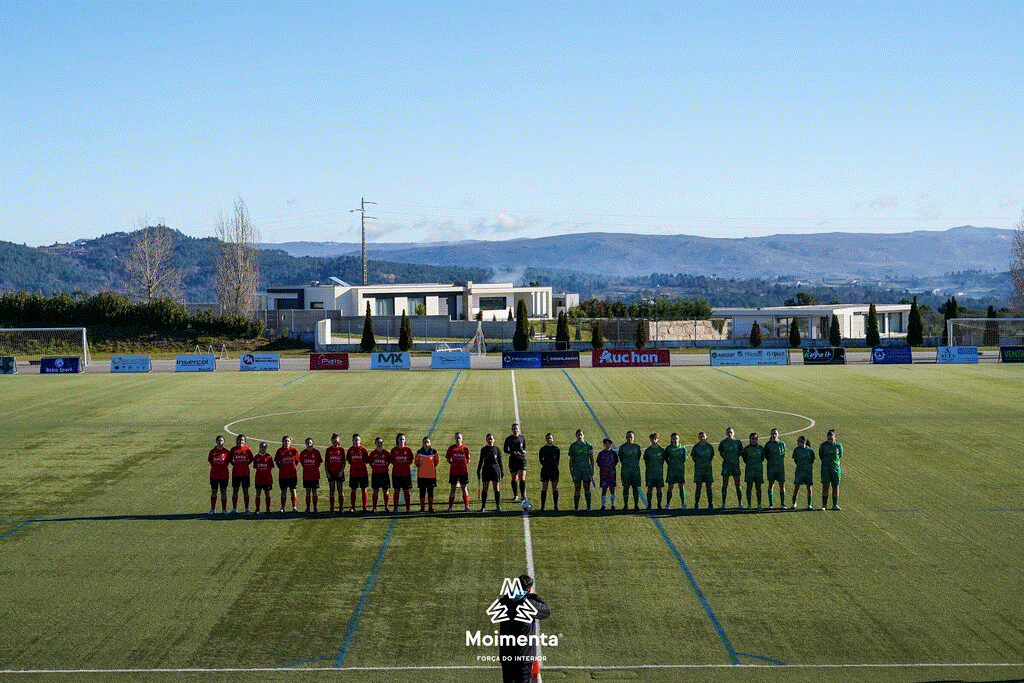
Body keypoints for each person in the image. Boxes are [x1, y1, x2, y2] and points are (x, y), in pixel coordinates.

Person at [497, 573, 551, 683]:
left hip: (507, 653)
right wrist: (532, 596)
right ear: (529, 589)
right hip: (523, 655)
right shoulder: (529, 604)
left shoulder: (504, 601)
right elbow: (546, 611)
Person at [567, 429, 595, 511]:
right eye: (578, 435)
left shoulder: (588, 445)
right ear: (576, 436)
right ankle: (576, 507)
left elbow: (592, 458)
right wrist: (571, 470)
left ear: (583, 435)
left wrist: (592, 469)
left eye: (581, 434)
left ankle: (588, 507)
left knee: (587, 488)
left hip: (586, 470)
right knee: (577, 488)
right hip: (577, 470)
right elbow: (571, 460)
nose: (579, 436)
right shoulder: (573, 446)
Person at [718, 427, 744, 509]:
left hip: (735, 466)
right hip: (726, 466)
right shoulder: (723, 443)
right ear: (726, 434)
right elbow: (720, 452)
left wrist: (734, 458)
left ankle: (740, 502)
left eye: (731, 432)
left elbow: (741, 452)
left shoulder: (738, 442)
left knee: (737, 485)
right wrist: (727, 458)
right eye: (728, 432)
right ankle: (723, 503)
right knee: (725, 484)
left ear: (734, 433)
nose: (729, 434)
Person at [477, 433, 504, 511]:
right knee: (485, 488)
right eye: (488, 439)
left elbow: (500, 462)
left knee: (496, 488)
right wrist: (478, 471)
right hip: (486, 470)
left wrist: (502, 472)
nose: (490, 440)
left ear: (494, 440)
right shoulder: (484, 449)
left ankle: (498, 506)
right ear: (486, 440)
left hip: (495, 470)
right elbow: (481, 461)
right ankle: (483, 506)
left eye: (491, 439)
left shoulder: (497, 449)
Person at [445, 432, 472, 512]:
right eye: (456, 438)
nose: (458, 439)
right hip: (454, 471)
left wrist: (463, 465)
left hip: (463, 471)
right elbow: (448, 459)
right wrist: (453, 464)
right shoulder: (451, 448)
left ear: (461, 438)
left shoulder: (465, 448)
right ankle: (450, 507)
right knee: (453, 488)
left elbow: (468, 460)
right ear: (455, 439)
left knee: (464, 488)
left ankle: (466, 506)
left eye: (459, 438)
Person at [228, 434, 254, 514]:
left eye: (242, 440)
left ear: (244, 441)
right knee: (235, 491)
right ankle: (234, 508)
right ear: (237, 441)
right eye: (239, 440)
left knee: (245, 491)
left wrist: (246, 464)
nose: (240, 441)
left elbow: (251, 459)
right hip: (236, 474)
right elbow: (230, 459)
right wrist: (235, 465)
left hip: (245, 473)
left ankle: (247, 508)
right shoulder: (233, 449)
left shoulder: (247, 449)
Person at [818, 429, 843, 510]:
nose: (830, 440)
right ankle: (824, 505)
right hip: (825, 468)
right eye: (828, 438)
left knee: (835, 486)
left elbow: (840, 455)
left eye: (831, 438)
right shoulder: (823, 446)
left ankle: (835, 504)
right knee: (825, 486)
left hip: (835, 469)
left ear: (835, 437)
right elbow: (820, 455)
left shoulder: (838, 445)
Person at [390, 433, 415, 512]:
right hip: (396, 474)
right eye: (400, 439)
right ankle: (395, 508)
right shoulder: (394, 450)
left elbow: (410, 460)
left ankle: (408, 508)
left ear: (405, 440)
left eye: (403, 439)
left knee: (406, 491)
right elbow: (392, 461)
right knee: (396, 491)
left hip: (406, 474)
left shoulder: (408, 450)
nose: (401, 441)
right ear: (397, 440)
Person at [618, 431, 642, 511]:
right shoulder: (622, 447)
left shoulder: (637, 447)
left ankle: (636, 505)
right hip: (625, 471)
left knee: (635, 488)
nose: (629, 438)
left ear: (634, 438)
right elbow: (620, 458)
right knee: (626, 487)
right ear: (626, 438)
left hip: (635, 471)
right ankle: (625, 505)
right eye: (628, 437)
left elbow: (638, 457)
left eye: (631, 437)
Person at [763, 428, 787, 509]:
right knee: (770, 485)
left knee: (782, 485)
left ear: (778, 434)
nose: (774, 435)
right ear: (770, 435)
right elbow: (765, 455)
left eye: (775, 433)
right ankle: (771, 504)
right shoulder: (768, 444)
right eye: (772, 433)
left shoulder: (782, 443)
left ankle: (783, 504)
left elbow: (783, 454)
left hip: (780, 468)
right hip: (771, 468)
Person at [690, 432, 715, 510]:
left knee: (709, 487)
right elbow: (693, 457)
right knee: (698, 487)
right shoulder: (696, 447)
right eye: (700, 437)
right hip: (699, 470)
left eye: (703, 436)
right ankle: (696, 504)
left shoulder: (709, 447)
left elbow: (711, 456)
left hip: (708, 469)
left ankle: (710, 504)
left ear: (706, 437)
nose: (702, 438)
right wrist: (699, 463)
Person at [275, 435, 300, 513]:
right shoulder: (279, 451)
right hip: (283, 474)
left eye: (288, 441)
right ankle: (282, 507)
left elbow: (297, 460)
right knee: (283, 491)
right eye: (285, 441)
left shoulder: (294, 450)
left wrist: (293, 466)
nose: (286, 442)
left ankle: (294, 507)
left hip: (292, 474)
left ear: (290, 442)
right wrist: (281, 467)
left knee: (293, 490)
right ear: (282, 442)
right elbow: (276, 461)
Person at [503, 423, 528, 502]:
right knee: (514, 478)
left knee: (522, 477)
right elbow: (505, 450)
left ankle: (523, 495)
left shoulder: (522, 438)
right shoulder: (509, 439)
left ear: (519, 429)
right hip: (513, 460)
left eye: (516, 429)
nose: (515, 430)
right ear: (512, 430)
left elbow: (524, 448)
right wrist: (512, 452)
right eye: (514, 429)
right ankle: (515, 495)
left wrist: (523, 452)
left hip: (521, 459)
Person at [790, 435, 816, 510]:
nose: (797, 443)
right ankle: (794, 503)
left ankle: (809, 504)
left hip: (808, 472)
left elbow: (812, 460)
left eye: (799, 441)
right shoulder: (796, 450)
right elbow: (795, 460)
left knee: (809, 487)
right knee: (797, 487)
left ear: (803, 442)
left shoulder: (810, 450)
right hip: (799, 471)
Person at [741, 433, 765, 510]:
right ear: (749, 439)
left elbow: (762, 458)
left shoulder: (761, 448)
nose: (753, 440)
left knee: (758, 488)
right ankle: (749, 505)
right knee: (749, 487)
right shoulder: (746, 449)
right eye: (752, 438)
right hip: (749, 471)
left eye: (755, 438)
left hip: (758, 471)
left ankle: (759, 505)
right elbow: (744, 458)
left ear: (757, 439)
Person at [415, 436, 439, 512]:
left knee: (430, 493)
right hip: (421, 476)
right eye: (425, 442)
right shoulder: (419, 452)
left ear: (430, 443)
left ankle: (430, 508)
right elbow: (416, 462)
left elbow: (436, 462)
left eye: (427, 442)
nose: (426, 444)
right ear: (422, 443)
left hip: (431, 476)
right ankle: (422, 508)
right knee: (422, 492)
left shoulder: (434, 452)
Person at [664, 432, 687, 510]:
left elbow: (685, 458)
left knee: (681, 487)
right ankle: (668, 504)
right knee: (670, 487)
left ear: (679, 439)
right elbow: (666, 458)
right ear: (671, 439)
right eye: (673, 438)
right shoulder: (669, 448)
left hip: (680, 471)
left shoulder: (682, 448)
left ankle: (683, 503)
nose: (675, 440)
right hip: (671, 471)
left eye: (676, 438)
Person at [347, 434, 370, 512]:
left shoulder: (363, 450)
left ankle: (365, 506)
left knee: (364, 489)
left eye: (358, 440)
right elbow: (349, 461)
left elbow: (367, 460)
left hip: (363, 473)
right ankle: (353, 507)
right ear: (352, 441)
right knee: (353, 490)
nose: (356, 441)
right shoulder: (350, 450)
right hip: (353, 473)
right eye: (355, 440)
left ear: (360, 440)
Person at [643, 433, 666, 510]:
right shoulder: (648, 451)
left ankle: (659, 504)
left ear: (658, 440)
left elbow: (663, 460)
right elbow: (646, 461)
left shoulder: (661, 450)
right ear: (650, 440)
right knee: (649, 489)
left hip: (659, 473)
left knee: (659, 489)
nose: (654, 440)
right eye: (652, 439)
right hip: (650, 473)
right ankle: (649, 504)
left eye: (655, 439)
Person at [299, 437, 322, 513]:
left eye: (310, 443)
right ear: (305, 444)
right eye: (307, 443)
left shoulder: (316, 452)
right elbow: (302, 463)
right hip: (306, 475)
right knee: (308, 492)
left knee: (314, 492)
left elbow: (319, 462)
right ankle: (308, 508)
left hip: (315, 475)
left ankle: (315, 508)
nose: (309, 445)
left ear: (313, 444)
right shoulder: (303, 453)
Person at [208, 435, 230, 514]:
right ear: (216, 442)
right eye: (218, 441)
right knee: (214, 491)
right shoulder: (212, 452)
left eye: (221, 441)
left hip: (224, 475)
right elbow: (210, 461)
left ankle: (224, 509)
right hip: (214, 475)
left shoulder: (227, 452)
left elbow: (227, 462)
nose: (220, 442)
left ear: (223, 442)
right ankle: (213, 508)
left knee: (223, 491)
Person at [538, 433, 560, 511]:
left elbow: (557, 460)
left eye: (550, 438)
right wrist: (545, 465)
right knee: (544, 488)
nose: (549, 440)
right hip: (545, 470)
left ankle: (556, 505)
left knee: (555, 488)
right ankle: (542, 506)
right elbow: (540, 459)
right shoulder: (543, 449)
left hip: (554, 470)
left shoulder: (556, 449)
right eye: (547, 438)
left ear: (553, 439)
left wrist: (553, 466)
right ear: (546, 439)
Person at [324, 433, 346, 513]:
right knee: (332, 490)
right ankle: (332, 507)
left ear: (338, 441)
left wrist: (341, 471)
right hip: (331, 473)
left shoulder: (341, 450)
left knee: (340, 490)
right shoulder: (328, 450)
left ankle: (341, 507)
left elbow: (344, 462)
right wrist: (327, 473)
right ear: (331, 441)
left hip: (339, 473)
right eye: (333, 441)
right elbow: (326, 463)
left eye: (336, 441)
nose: (335, 442)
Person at [369, 436, 391, 512]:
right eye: (378, 442)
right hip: (375, 474)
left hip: (384, 474)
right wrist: (375, 468)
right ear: (375, 443)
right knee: (375, 491)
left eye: (381, 442)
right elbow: (370, 463)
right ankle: (374, 507)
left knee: (386, 491)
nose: (379, 444)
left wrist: (384, 468)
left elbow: (389, 462)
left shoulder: (386, 453)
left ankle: (386, 507)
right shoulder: (372, 453)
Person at [596, 437, 619, 510]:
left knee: (612, 489)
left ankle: (613, 505)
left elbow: (615, 462)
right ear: (604, 445)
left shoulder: (613, 453)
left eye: (609, 444)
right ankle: (603, 505)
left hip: (611, 474)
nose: (607, 445)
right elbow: (598, 463)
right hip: (604, 474)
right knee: (604, 490)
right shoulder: (601, 454)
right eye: (606, 444)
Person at [252, 441, 274, 513]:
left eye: (264, 447)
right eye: (262, 447)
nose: (263, 448)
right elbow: (255, 466)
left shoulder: (269, 457)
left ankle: (268, 508)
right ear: (259, 447)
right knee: (258, 493)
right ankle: (257, 509)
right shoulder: (256, 457)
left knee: (267, 493)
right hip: (258, 479)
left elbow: (271, 466)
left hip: (267, 479)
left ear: (266, 448)